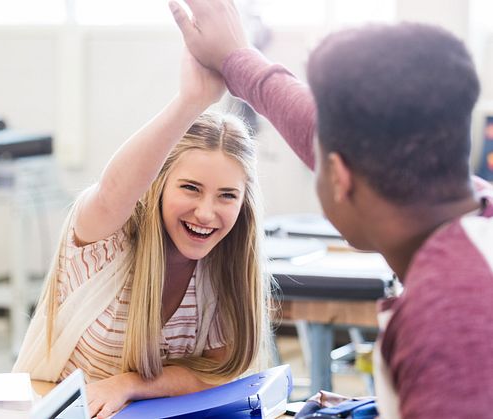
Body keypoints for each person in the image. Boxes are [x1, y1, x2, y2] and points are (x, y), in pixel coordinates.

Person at [170, 1, 493, 417]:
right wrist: (236, 59)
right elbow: (317, 128)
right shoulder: (474, 213)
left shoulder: (447, 319)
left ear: (339, 177)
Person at [13, 49, 272, 418]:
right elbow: (108, 193)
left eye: (227, 195)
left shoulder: (224, 267)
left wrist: (130, 384)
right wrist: (190, 102)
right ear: (159, 184)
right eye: (190, 188)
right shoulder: (110, 239)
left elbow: (218, 374)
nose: (206, 212)